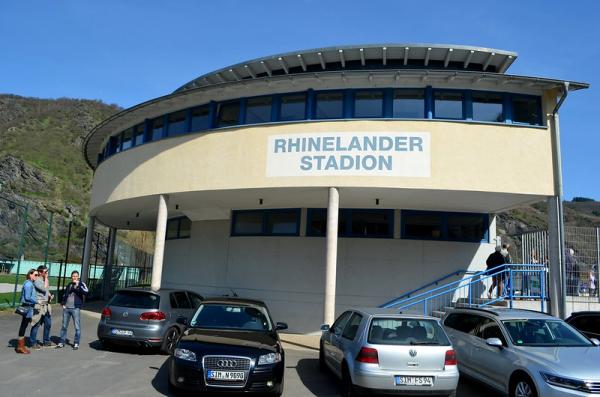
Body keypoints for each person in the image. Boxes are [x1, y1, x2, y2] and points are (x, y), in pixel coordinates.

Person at [56, 271, 88, 350]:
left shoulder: (81, 284)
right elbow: (65, 294)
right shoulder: (69, 285)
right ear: (71, 277)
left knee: (77, 327)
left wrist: (78, 286)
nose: (74, 278)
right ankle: (61, 342)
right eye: (73, 276)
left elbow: (86, 292)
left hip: (75, 308)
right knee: (64, 326)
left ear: (78, 277)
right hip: (66, 308)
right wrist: (63, 303)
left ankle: (76, 343)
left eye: (76, 276)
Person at [30, 265, 54, 349]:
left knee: (48, 324)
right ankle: (33, 342)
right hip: (39, 306)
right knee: (36, 324)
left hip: (46, 306)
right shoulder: (37, 280)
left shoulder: (44, 280)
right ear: (40, 272)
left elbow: (46, 291)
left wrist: (50, 295)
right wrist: (46, 278)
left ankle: (46, 341)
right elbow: (44, 288)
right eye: (45, 272)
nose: (47, 273)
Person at [15, 269, 38, 354]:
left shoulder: (29, 283)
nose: (36, 276)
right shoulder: (28, 284)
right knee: (23, 326)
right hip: (27, 306)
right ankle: (20, 347)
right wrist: (37, 301)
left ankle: (20, 346)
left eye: (37, 275)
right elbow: (27, 297)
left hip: (28, 306)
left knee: (24, 325)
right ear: (30, 275)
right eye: (35, 275)